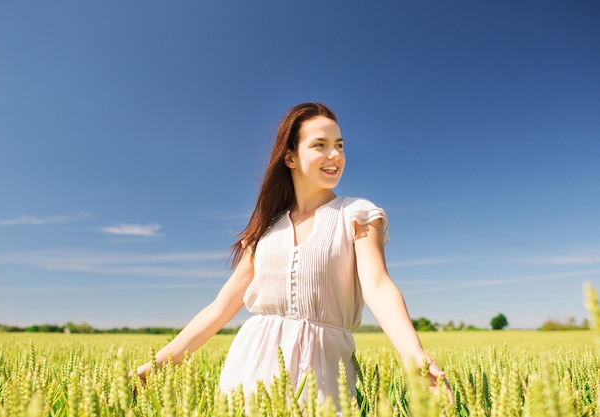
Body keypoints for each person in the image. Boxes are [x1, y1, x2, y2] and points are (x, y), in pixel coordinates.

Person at [131, 102, 451, 405]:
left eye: (339, 145)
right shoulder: (265, 231)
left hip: (326, 377)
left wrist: (415, 356)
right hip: (250, 372)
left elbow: (378, 286)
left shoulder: (358, 213)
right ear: (290, 158)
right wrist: (157, 365)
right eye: (320, 145)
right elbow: (220, 308)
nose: (334, 154)